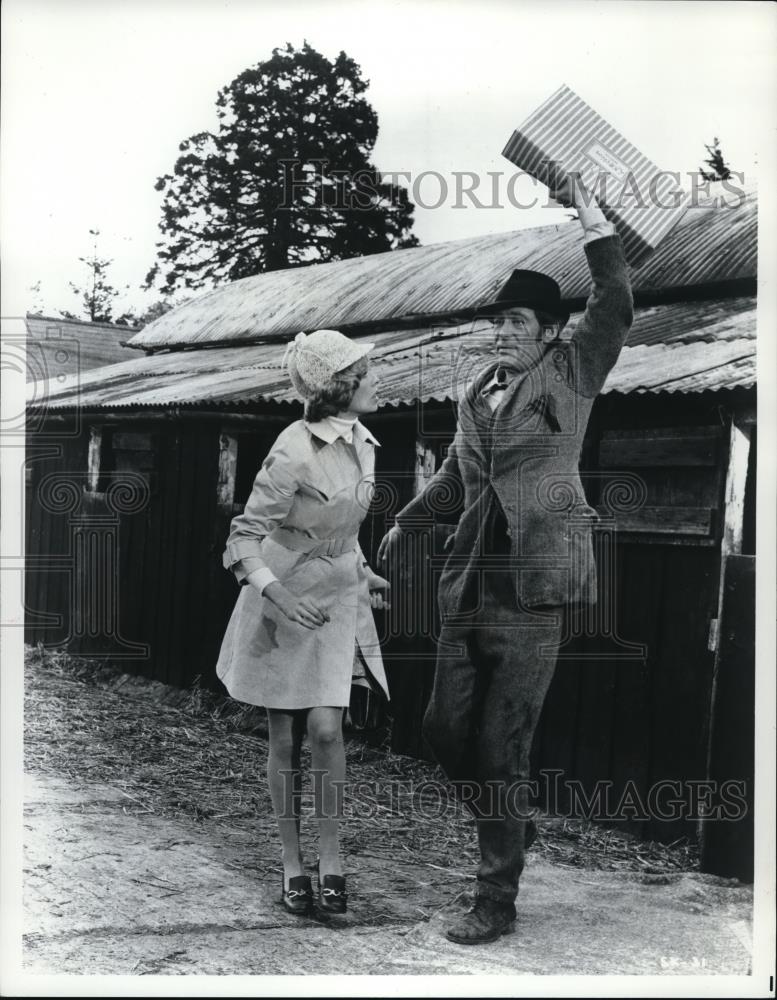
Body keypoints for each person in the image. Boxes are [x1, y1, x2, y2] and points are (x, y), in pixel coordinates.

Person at [378, 177, 633, 944]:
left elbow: (615, 298)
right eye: (496, 320)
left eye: (515, 322)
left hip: (535, 590)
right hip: (468, 588)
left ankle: (494, 899)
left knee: (501, 748)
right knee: (443, 732)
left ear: (550, 332)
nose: (500, 333)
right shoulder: (475, 395)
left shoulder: (572, 372)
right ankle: (509, 827)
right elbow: (458, 480)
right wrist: (409, 521)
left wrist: (593, 222)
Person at [216, 329, 390, 917]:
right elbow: (243, 537)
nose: (376, 379)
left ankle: (333, 860)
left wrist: (363, 573)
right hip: (283, 592)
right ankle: (293, 865)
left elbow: (343, 526)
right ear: (342, 385)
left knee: (327, 730)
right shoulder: (293, 447)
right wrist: (280, 596)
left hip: (337, 592)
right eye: (367, 372)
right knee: (286, 736)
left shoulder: (365, 441)